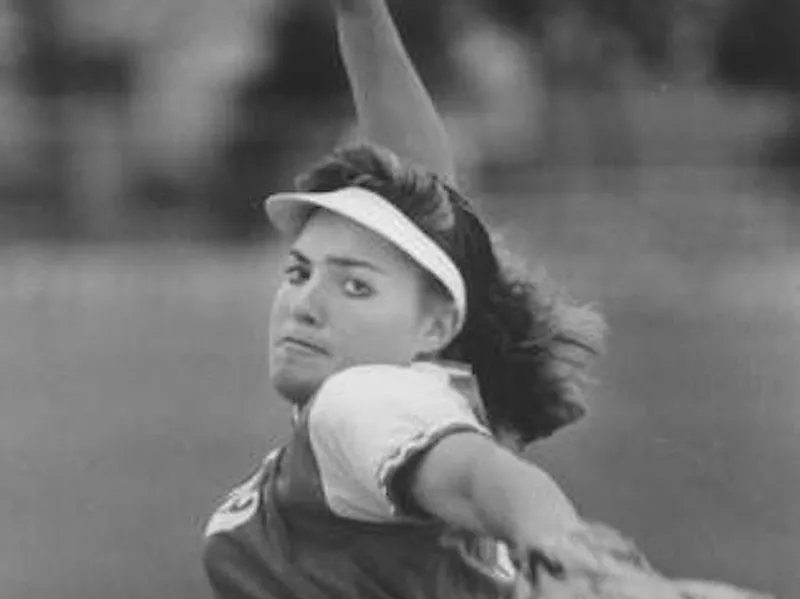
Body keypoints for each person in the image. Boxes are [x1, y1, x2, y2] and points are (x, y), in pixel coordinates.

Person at [201, 0, 606, 597]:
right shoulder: (427, 381)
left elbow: (482, 481)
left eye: (355, 286)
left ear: (436, 327)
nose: (306, 303)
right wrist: (360, 16)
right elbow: (427, 196)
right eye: (297, 272)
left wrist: (569, 554)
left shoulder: (361, 401)